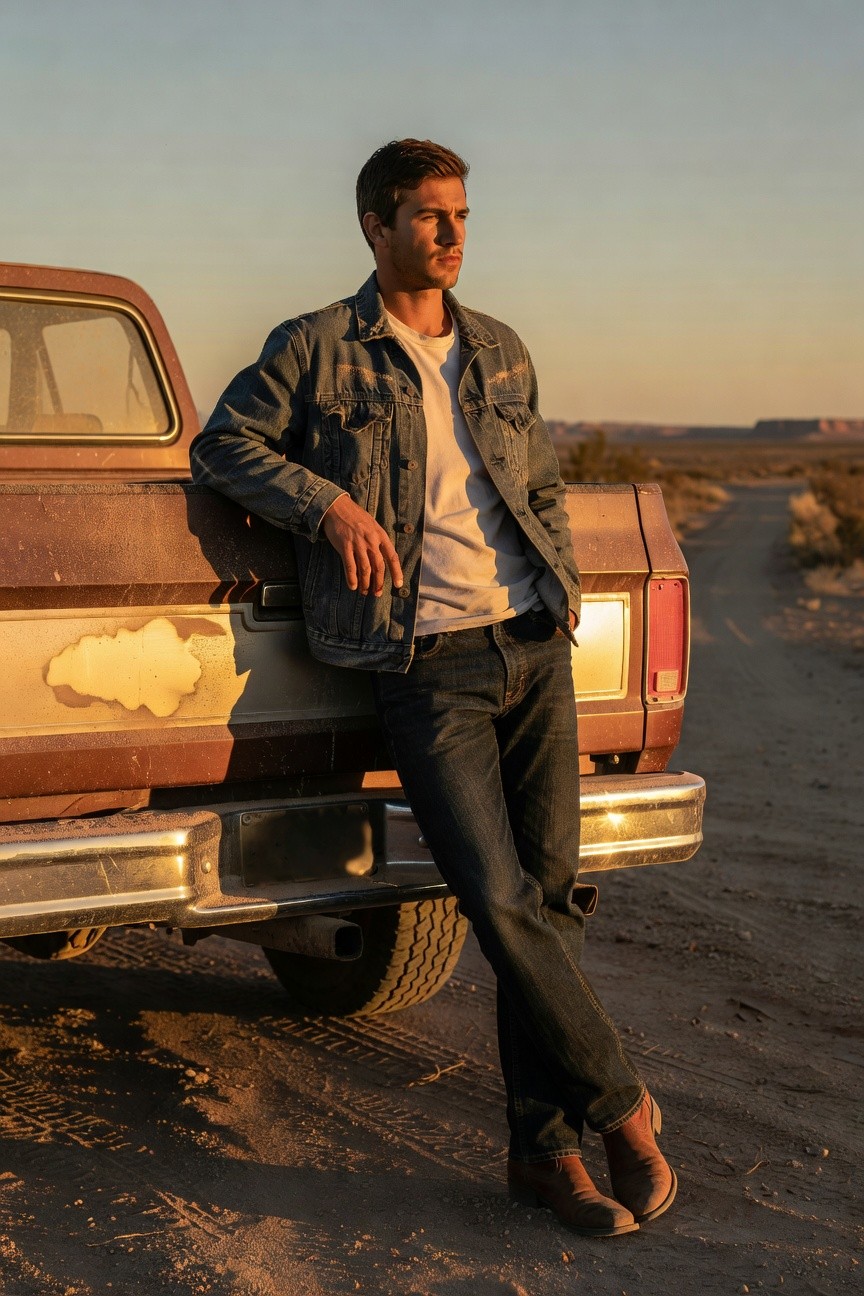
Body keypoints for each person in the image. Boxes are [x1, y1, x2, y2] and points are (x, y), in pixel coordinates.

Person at [190, 138, 675, 1238]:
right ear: (376, 225)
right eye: (428, 216)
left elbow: (538, 477)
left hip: (531, 648)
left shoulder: (500, 348)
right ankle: (622, 1103)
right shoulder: (316, 347)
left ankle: (544, 1157)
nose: (453, 235)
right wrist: (331, 507)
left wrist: (558, 583)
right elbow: (226, 445)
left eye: (462, 214)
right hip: (426, 665)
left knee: (545, 907)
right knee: (496, 899)